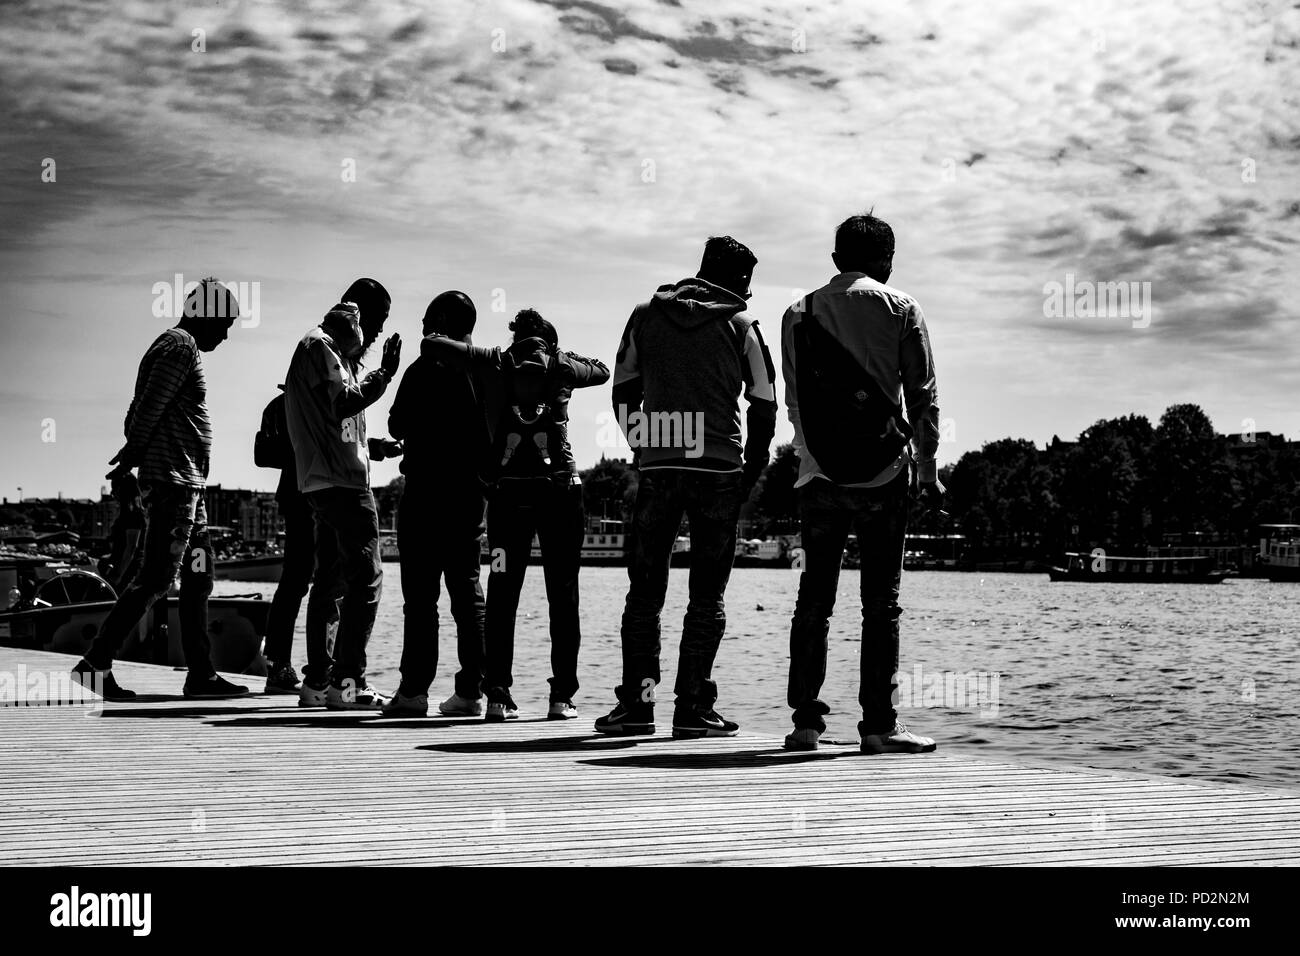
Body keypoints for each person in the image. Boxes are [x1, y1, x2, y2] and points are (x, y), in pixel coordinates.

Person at [595, 236, 777, 739]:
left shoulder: (644, 314)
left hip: (658, 468)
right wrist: (752, 469)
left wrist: (643, 440)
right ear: (740, 281)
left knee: (645, 592)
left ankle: (637, 704)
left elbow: (622, 385)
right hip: (719, 472)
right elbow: (764, 404)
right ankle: (692, 708)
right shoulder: (741, 325)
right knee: (707, 596)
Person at [780, 212, 944, 754]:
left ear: (834, 260)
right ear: (888, 261)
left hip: (819, 475)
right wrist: (928, 469)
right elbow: (922, 398)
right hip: (885, 474)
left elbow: (797, 397)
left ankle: (806, 724)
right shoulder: (902, 308)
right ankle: (878, 726)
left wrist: (809, 457)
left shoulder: (797, 313)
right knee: (882, 605)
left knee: (814, 601)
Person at [421, 308, 609, 721]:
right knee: (564, 595)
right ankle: (562, 698)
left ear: (515, 336)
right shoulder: (562, 366)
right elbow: (603, 371)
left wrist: (470, 348)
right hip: (561, 494)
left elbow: (433, 345)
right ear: (549, 341)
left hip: (507, 497)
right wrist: (564, 357)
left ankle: (498, 697)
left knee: (503, 594)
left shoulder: (491, 360)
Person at [73, 278, 248, 700]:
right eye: (223, 324)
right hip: (172, 482)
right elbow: (148, 405)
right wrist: (133, 452)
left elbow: (144, 406)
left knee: (198, 575)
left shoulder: (178, 347)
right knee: (156, 576)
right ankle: (95, 663)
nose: (225, 335)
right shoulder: (179, 347)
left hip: (190, 486)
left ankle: (201, 673)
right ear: (203, 313)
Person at [284, 279, 401, 710]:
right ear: (364, 315)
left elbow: (331, 423)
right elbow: (342, 405)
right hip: (343, 487)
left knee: (331, 582)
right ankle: (348, 684)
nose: (378, 333)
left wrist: (375, 447)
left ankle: (318, 683)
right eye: (380, 321)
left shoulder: (331, 351)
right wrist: (386, 373)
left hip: (324, 481)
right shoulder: (323, 346)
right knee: (366, 581)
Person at [382, 291, 489, 718]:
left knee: (421, 600)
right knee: (468, 594)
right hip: (469, 496)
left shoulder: (421, 369)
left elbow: (397, 422)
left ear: (443, 319)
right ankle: (472, 691)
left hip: (425, 493)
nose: (423, 326)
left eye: (428, 318)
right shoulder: (485, 371)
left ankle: (413, 692)